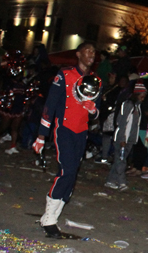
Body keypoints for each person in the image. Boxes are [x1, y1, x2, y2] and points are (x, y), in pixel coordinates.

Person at [33, 42, 100, 238]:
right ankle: (49, 220)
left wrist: (93, 109)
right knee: (66, 171)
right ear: (78, 54)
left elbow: (98, 112)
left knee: (72, 175)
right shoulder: (64, 74)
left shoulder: (96, 80)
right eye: (88, 50)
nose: (91, 54)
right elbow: (50, 104)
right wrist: (41, 135)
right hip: (64, 128)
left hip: (82, 131)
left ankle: (52, 215)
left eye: (94, 51)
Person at [105, 82, 145, 191]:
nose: (143, 97)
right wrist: (122, 139)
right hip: (122, 138)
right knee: (121, 161)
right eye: (142, 95)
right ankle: (122, 182)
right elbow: (122, 123)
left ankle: (110, 181)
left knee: (119, 160)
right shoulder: (128, 105)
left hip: (130, 139)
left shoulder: (137, 106)